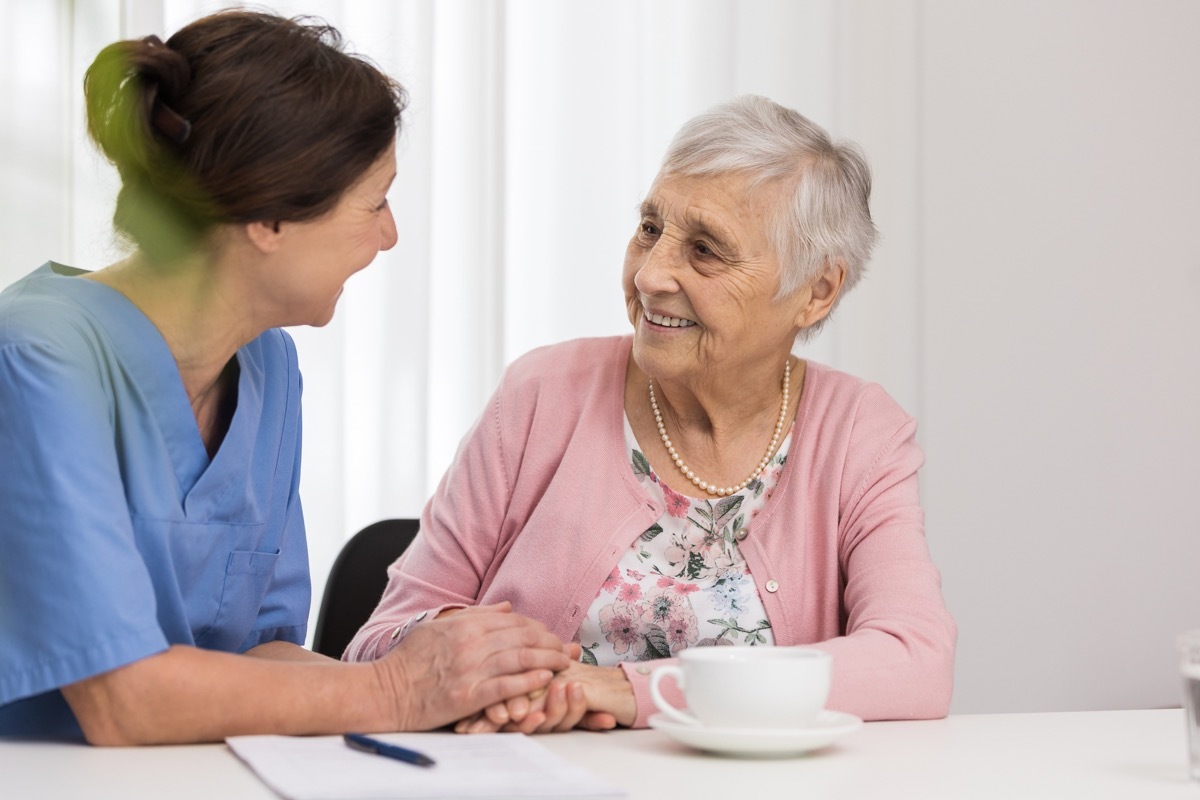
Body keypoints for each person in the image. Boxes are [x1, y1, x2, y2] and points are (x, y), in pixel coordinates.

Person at [0, 10, 570, 745]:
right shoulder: (37, 358)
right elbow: (124, 700)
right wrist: (397, 689)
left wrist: (467, 696)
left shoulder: (267, 367)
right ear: (268, 218)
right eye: (376, 202)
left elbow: (259, 654)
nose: (389, 235)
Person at [346, 95, 957, 733]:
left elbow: (915, 662)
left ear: (816, 291)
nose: (652, 274)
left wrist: (627, 690)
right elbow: (375, 642)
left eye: (706, 250)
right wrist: (462, 653)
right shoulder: (541, 395)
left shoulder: (859, 432)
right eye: (649, 228)